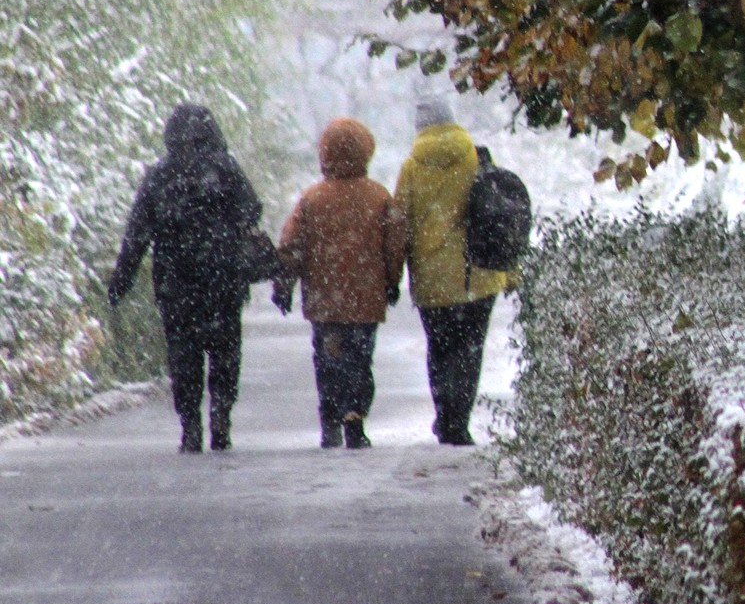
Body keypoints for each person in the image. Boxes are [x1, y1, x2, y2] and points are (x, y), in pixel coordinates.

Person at [107, 103, 264, 453]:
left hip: (176, 284)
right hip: (223, 279)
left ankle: (190, 425)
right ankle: (221, 416)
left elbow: (137, 233)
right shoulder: (225, 169)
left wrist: (121, 280)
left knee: (184, 355)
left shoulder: (160, 174)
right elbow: (252, 208)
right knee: (225, 351)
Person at [274, 118, 406, 449]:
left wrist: (284, 285)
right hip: (366, 298)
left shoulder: (312, 199)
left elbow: (291, 246)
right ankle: (354, 419)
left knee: (329, 360)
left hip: (325, 300)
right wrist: (392, 280)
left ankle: (330, 419)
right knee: (360, 361)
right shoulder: (379, 197)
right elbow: (394, 243)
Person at [394, 97, 509, 445]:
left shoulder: (412, 167)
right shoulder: (477, 158)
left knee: (440, 349)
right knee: (470, 349)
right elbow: (499, 215)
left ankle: (445, 416)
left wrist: (392, 275)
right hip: (478, 276)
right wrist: (510, 268)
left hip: (432, 280)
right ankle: (458, 421)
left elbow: (400, 224)